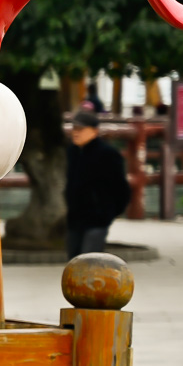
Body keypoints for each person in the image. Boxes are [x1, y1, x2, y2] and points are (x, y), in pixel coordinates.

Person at [65, 109, 133, 258]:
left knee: (89, 261)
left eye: (81, 129)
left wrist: (107, 214)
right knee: (73, 263)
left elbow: (122, 189)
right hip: (75, 219)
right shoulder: (72, 152)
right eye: (74, 128)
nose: (76, 133)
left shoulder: (108, 154)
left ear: (94, 131)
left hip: (97, 220)